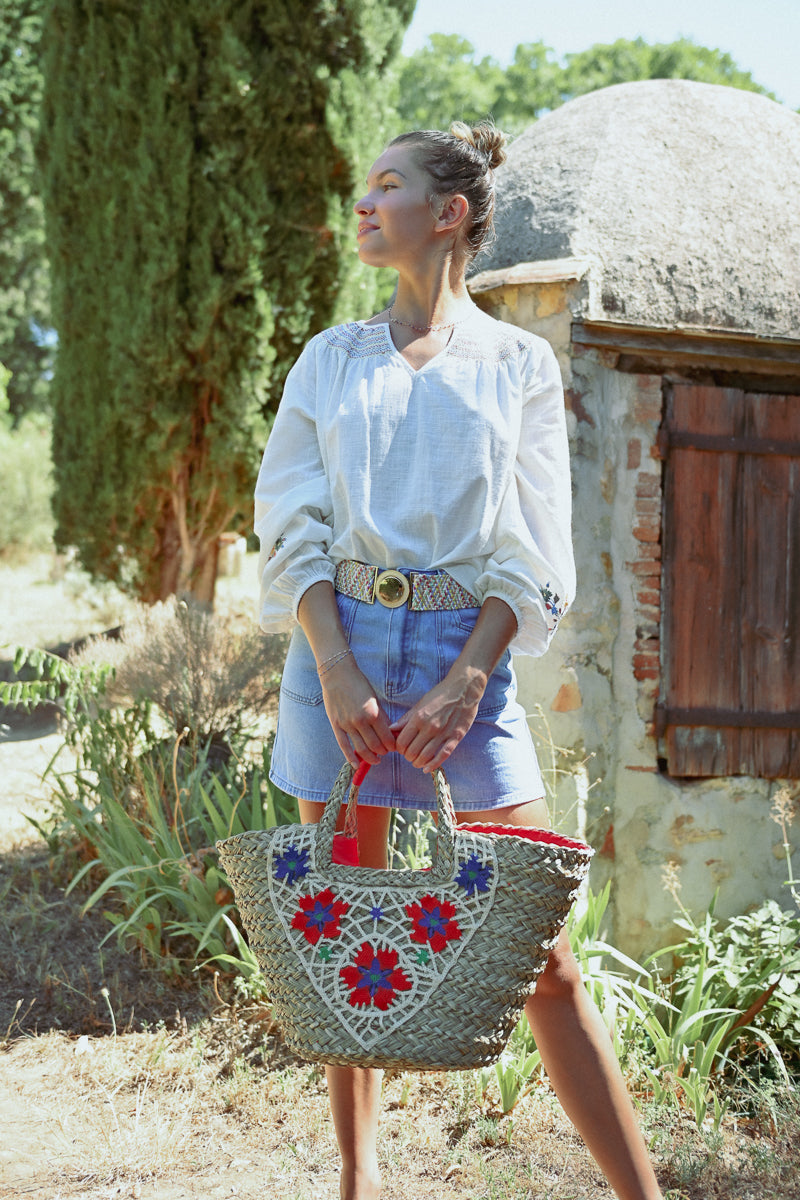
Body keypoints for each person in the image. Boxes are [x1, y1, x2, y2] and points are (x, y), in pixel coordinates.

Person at [254, 121, 663, 1200]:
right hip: (332, 648)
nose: (363, 201)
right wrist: (335, 667)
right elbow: (289, 521)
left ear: (447, 215)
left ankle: (642, 1196)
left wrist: (470, 675)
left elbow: (530, 547)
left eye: (386, 184)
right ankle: (356, 1180)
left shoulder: (518, 365)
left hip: (461, 658)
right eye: (363, 185)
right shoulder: (328, 359)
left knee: (539, 950)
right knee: (347, 935)